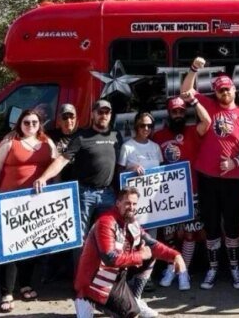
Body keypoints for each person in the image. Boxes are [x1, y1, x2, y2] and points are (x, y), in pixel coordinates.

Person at [180, 57, 239, 291]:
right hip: (208, 177)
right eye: (220, 90)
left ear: (234, 89)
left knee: (232, 227)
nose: (224, 93)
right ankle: (212, 269)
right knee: (211, 226)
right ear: (216, 92)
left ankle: (234, 268)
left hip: (233, 179)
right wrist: (194, 69)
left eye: (227, 89)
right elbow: (185, 92)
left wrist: (235, 162)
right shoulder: (209, 106)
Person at [73, 187, 186, 318]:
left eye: (134, 204)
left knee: (150, 253)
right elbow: (110, 258)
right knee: (131, 314)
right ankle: (85, 299)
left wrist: (175, 255)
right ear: (118, 203)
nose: (131, 207)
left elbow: (152, 244)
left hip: (117, 274)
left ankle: (135, 297)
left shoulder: (131, 221)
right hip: (96, 279)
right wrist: (140, 256)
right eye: (127, 203)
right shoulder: (106, 222)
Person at [0, 107, 57, 313]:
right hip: (10, 203)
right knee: (9, 248)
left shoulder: (47, 142)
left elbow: (57, 167)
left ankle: (25, 284)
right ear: (20, 123)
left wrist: (56, 192)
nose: (30, 126)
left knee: (31, 245)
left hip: (37, 204)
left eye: (34, 123)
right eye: (26, 122)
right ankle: (7, 292)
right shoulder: (10, 142)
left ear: (40, 124)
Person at [35, 99, 123, 239]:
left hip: (107, 193)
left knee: (109, 234)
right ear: (93, 114)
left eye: (107, 112)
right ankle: (81, 261)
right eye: (100, 112)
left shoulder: (117, 135)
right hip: (84, 194)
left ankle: (104, 261)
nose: (104, 115)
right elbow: (63, 159)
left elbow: (122, 162)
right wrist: (44, 177)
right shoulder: (81, 137)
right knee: (80, 236)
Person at [154, 97, 201, 291]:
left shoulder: (193, 131)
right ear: (169, 114)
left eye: (182, 111)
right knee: (169, 235)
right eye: (175, 112)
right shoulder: (158, 136)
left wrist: (195, 100)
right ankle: (171, 268)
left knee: (190, 234)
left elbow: (207, 123)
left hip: (192, 193)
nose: (179, 115)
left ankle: (184, 272)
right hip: (168, 196)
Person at [42, 102, 81, 281]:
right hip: (57, 190)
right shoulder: (50, 136)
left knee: (76, 233)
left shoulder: (83, 136)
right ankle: (51, 271)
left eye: (71, 116)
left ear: (76, 118)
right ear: (59, 120)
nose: (68, 120)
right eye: (65, 117)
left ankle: (72, 271)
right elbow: (24, 132)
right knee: (55, 231)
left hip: (79, 190)